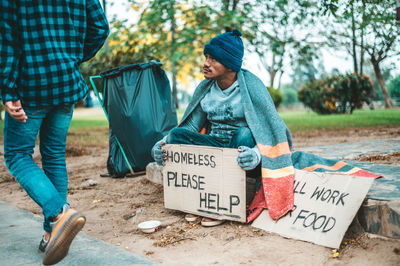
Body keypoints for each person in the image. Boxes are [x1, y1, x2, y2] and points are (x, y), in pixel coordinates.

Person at [151, 29, 380, 226]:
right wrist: (165, 144)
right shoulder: (206, 88)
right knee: (178, 133)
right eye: (206, 57)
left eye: (213, 59)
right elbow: (191, 126)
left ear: (230, 64)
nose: (206, 63)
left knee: (243, 133)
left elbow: (272, 131)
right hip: (215, 148)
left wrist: (257, 155)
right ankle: (202, 200)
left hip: (243, 152)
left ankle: (222, 205)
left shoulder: (252, 87)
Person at [0, 1, 109, 264]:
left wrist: (8, 90)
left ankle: (59, 213)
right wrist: (69, 60)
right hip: (65, 83)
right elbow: (100, 28)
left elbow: (7, 43)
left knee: (16, 155)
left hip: (31, 85)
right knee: (54, 155)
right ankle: (52, 234)